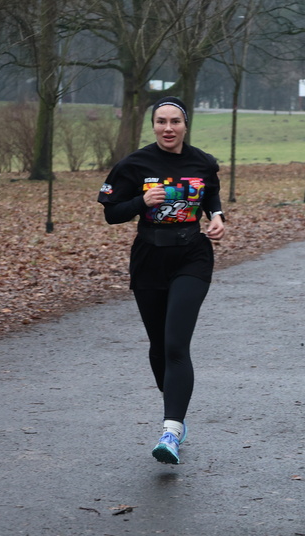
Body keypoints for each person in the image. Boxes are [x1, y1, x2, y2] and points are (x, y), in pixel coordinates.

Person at [97, 96, 225, 465]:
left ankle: (171, 429)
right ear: (153, 125)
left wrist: (217, 216)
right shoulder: (135, 164)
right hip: (150, 258)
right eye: (161, 121)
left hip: (192, 256)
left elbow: (210, 195)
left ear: (186, 125)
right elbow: (112, 215)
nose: (168, 128)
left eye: (175, 122)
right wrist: (142, 201)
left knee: (174, 344)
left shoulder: (202, 162)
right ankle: (175, 406)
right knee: (158, 347)